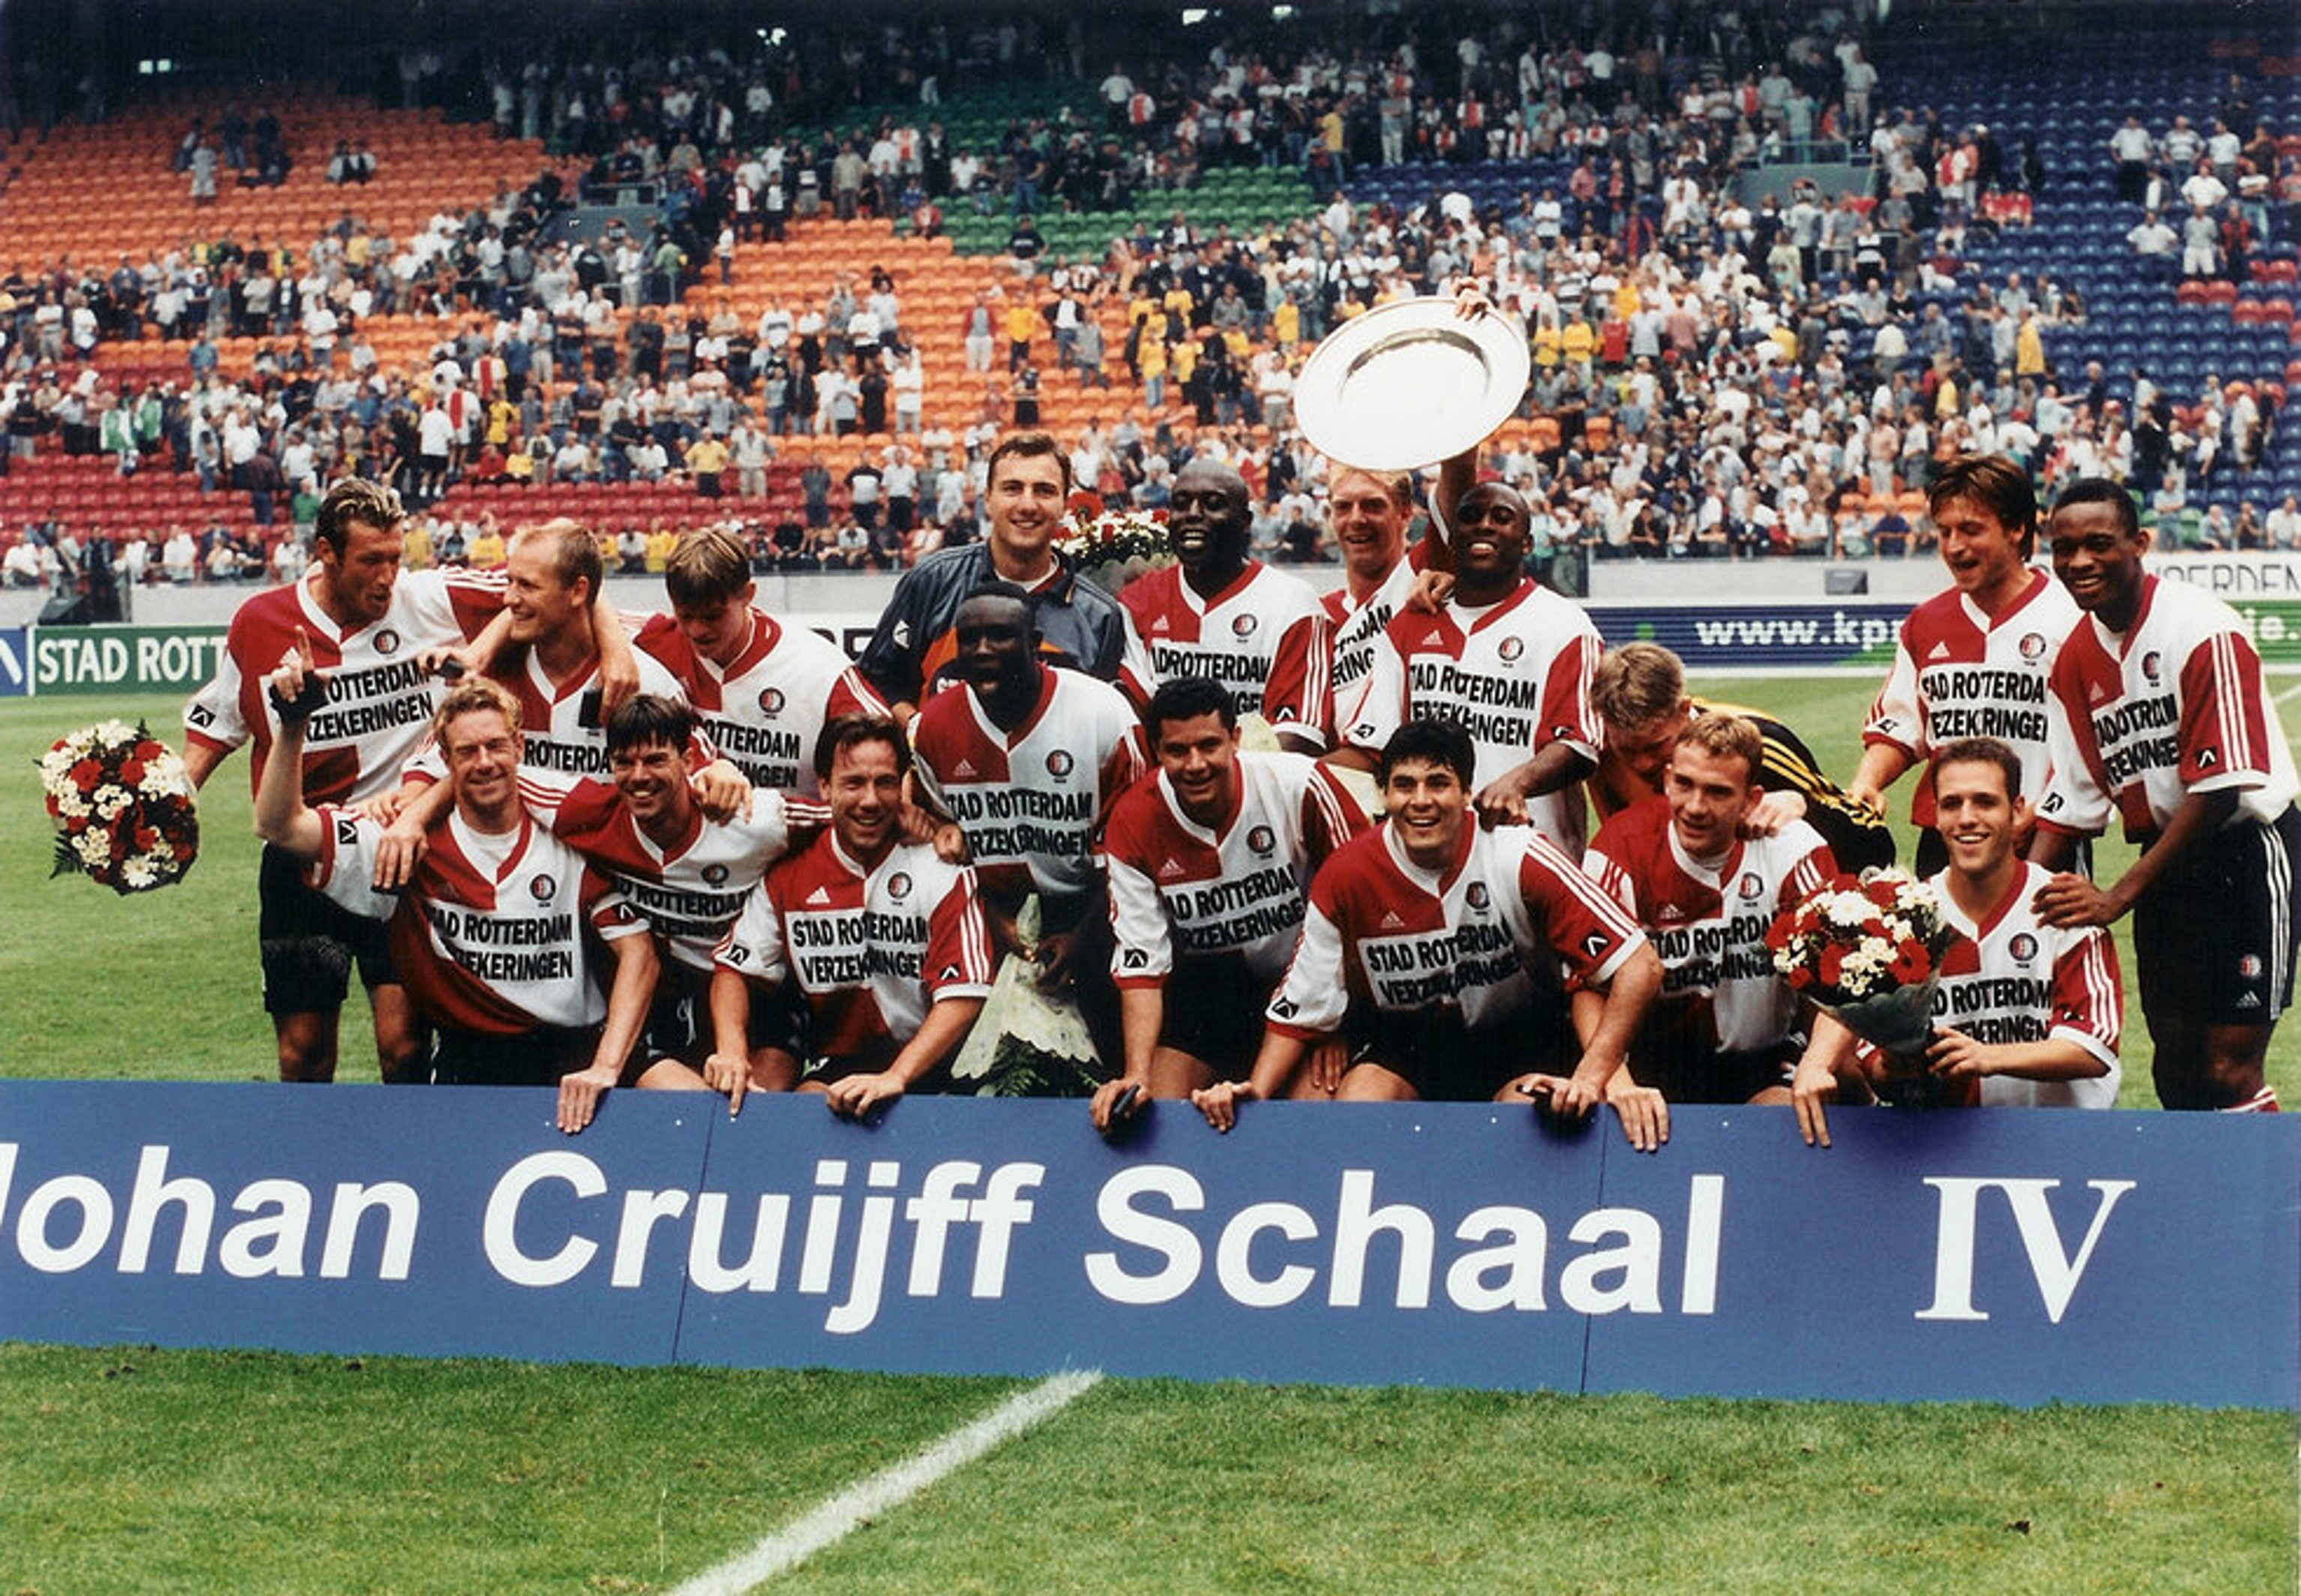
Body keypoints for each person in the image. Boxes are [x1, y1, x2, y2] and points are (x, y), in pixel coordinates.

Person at [1192, 719, 1664, 1148]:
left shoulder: (1518, 854)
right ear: (1382, 794)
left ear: (1466, 793)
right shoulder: (1348, 875)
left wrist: (1594, 1077)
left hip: (1518, 1036)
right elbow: (1302, 1006)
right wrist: (1257, 1090)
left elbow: (1639, 965)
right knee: (1357, 1105)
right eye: (1404, 786)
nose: (1420, 800)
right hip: (1412, 1037)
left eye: (1438, 784)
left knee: (1528, 1118)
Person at [182, 477, 509, 1084]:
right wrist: (178, 797)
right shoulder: (260, 621)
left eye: (397, 557)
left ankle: (405, 1174)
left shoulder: (431, 598)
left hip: (403, 853)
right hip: (301, 856)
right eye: (371, 561)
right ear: (326, 554)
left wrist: (485, 651)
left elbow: (543, 583)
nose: (389, 577)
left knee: (405, 1046)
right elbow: (220, 720)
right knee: (302, 1055)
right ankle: (311, 1173)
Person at [255, 670, 658, 1134]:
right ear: (445, 761)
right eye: (467, 752)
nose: (484, 762)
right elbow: (279, 826)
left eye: (496, 746)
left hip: (574, 1053)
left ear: (520, 747)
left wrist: (606, 1065)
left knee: (684, 1101)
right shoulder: (407, 844)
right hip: (472, 1062)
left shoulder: (566, 831)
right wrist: (292, 724)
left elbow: (638, 954)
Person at [2030, 478, 2299, 1112]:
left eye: (2099, 544)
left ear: (2140, 543)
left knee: (2228, 1067)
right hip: (2166, 862)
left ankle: (2259, 1210)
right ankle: (2201, 1207)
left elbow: (2222, 788)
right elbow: (2069, 805)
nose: (2080, 562)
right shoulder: (2072, 662)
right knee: (2176, 1067)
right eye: (2064, 549)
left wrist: (2119, 895)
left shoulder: (2202, 628)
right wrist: (2001, 911)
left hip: (2244, 853)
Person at [1091, 677, 1366, 1132]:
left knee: (1305, 1118)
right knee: (1156, 1113)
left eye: (1209, 746)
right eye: (1178, 751)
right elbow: (1141, 961)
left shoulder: (1299, 783)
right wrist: (1136, 1072)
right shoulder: (1133, 820)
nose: (1195, 764)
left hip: (1312, 983)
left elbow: (1363, 910)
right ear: (1156, 750)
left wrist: (1335, 1021)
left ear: (1235, 739)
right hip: (1214, 992)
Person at [909, 585, 1147, 1076]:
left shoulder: (1103, 715)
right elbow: (939, 826)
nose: (981, 651)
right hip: (995, 913)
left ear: (1034, 641)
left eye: (1000, 636)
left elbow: (1135, 856)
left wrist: (1083, 937)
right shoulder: (931, 728)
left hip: (1099, 906)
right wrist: (991, 914)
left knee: (1107, 1062)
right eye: (969, 638)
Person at [708, 714, 994, 1119]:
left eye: (885, 782)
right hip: (842, 1063)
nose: (871, 800)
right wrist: (732, 1053)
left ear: (903, 786)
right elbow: (733, 966)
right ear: (824, 787)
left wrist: (896, 1076)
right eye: (854, 783)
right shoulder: (791, 872)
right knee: (796, 1111)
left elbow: (964, 994)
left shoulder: (941, 867)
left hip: (937, 1066)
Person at [1583, 713, 1851, 1109]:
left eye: (1718, 792)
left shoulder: (1795, 848)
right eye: (1684, 785)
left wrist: (1817, 1064)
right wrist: (1616, 1081)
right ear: (1668, 776)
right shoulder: (1619, 848)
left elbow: (1843, 977)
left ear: (1752, 799)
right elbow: (1585, 985)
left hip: (1765, 1058)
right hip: (1652, 1064)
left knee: (1784, 1110)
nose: (1695, 806)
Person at [1336, 478, 1601, 853]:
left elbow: (1580, 745)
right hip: (1431, 855)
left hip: (1529, 850)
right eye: (1471, 516)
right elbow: (1377, 746)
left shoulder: (1566, 626)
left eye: (1502, 517)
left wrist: (1517, 784)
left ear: (1527, 542)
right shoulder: (1408, 626)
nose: (1484, 525)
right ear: (1452, 538)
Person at [1850, 454, 2083, 873]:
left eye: (1971, 530)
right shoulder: (1926, 622)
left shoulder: (2070, 619)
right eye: (1944, 532)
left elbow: (2091, 748)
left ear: (2017, 529)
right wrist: (1867, 781)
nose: (1955, 547)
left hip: (2040, 837)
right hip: (1944, 842)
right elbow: (1901, 727)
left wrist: (2045, 812)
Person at [857, 429, 1143, 718]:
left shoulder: (1100, 616)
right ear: (988, 499)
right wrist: (917, 730)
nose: (1028, 505)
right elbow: (874, 681)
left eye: (1044, 491)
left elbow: (1108, 720)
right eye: (1012, 488)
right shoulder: (933, 581)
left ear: (1064, 506)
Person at [1588, 642, 1894, 872]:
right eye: (1628, 751)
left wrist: (1805, 807)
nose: (1642, 764)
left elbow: (1874, 843)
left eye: (1657, 747)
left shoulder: (1758, 746)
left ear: (1684, 710)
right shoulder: (1599, 757)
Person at [631, 526, 887, 797]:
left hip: (794, 834)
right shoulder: (657, 640)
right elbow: (590, 612)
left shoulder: (820, 670)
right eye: (686, 616)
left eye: (712, 616)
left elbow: (889, 745)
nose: (697, 631)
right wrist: (613, 648)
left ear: (748, 595)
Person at [1118, 457, 1333, 754]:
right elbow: (1133, 721)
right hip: (1164, 788)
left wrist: (1216, 782)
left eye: (1213, 504)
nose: (1193, 514)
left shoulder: (1292, 603)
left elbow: (1298, 735)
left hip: (1259, 791)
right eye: (1181, 503)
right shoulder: (1137, 600)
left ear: (1245, 522)